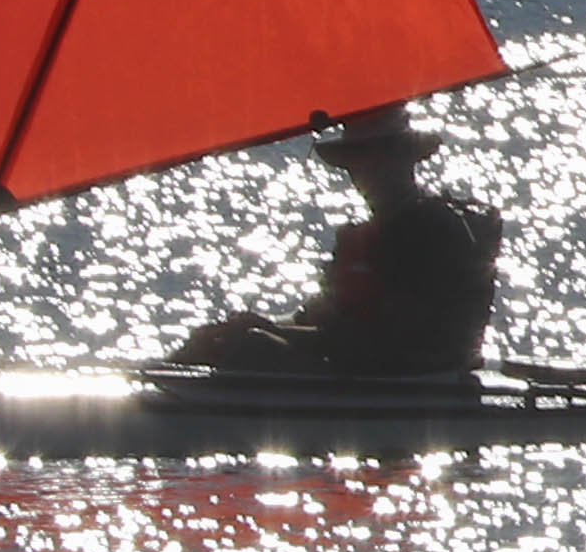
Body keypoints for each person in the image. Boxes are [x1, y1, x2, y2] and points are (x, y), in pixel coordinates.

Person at [167, 106, 505, 380]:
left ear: (405, 160)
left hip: (411, 378)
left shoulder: (434, 229)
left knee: (249, 346)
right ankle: (164, 384)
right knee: (222, 337)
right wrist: (264, 324)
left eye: (377, 157)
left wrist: (268, 333)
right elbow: (325, 316)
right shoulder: (366, 234)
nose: (364, 171)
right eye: (358, 160)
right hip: (362, 367)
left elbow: (392, 337)